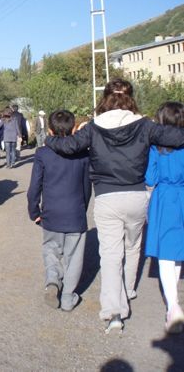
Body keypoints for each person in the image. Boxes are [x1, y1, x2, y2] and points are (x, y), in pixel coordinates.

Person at [44, 78, 184, 334]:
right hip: (136, 195)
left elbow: (69, 145)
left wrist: (48, 140)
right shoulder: (145, 125)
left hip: (107, 198)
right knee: (132, 248)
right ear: (130, 98)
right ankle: (128, 290)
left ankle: (114, 313)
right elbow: (176, 137)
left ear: (105, 98)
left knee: (110, 255)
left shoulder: (94, 127)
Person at [27, 110, 91, 312]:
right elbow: (86, 188)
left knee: (51, 251)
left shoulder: (42, 153)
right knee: (74, 259)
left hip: (51, 213)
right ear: (74, 129)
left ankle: (53, 281)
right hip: (75, 214)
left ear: (51, 130)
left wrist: (34, 211)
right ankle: (68, 298)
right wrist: (83, 208)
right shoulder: (84, 154)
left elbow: (34, 187)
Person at [144, 101, 184, 334]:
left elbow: (150, 177)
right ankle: (173, 303)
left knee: (166, 254)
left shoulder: (157, 146)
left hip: (166, 196)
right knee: (177, 250)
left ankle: (173, 305)